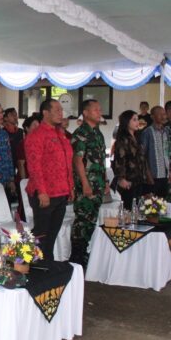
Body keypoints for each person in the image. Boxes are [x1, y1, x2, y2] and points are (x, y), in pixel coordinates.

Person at [25, 99, 73, 262]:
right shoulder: (37, 135)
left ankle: (47, 262)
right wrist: (42, 192)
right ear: (45, 113)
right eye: (57, 110)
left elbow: (67, 163)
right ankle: (30, 263)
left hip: (61, 191)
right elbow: (34, 166)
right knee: (41, 233)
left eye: (61, 110)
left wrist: (70, 187)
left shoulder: (60, 134)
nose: (61, 113)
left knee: (52, 233)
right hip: (45, 193)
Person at [69, 100, 108, 269]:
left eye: (100, 109)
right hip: (86, 185)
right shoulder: (80, 133)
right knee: (82, 220)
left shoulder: (98, 133)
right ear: (85, 113)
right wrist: (85, 183)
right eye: (96, 110)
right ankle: (76, 256)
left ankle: (84, 252)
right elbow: (77, 160)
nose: (100, 112)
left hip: (98, 184)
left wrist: (106, 181)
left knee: (91, 219)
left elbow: (102, 160)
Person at [113, 110, 151, 210]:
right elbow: (119, 159)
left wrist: (147, 175)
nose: (137, 122)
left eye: (137, 119)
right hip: (128, 179)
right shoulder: (123, 139)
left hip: (139, 179)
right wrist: (121, 178)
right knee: (129, 208)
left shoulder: (137, 137)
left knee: (138, 207)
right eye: (134, 120)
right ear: (126, 122)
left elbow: (142, 158)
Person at [140, 106, 170, 198]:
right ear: (152, 116)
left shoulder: (166, 132)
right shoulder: (147, 132)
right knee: (151, 203)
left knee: (163, 202)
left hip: (165, 175)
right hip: (153, 176)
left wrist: (170, 172)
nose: (163, 117)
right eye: (160, 114)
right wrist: (148, 174)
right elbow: (142, 155)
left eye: (164, 114)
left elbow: (167, 152)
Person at [15, 115, 40, 221]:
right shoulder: (23, 143)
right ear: (27, 128)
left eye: (39, 125)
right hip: (26, 178)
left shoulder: (39, 142)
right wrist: (24, 181)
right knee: (25, 204)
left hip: (37, 179)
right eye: (34, 125)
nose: (37, 128)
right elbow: (21, 164)